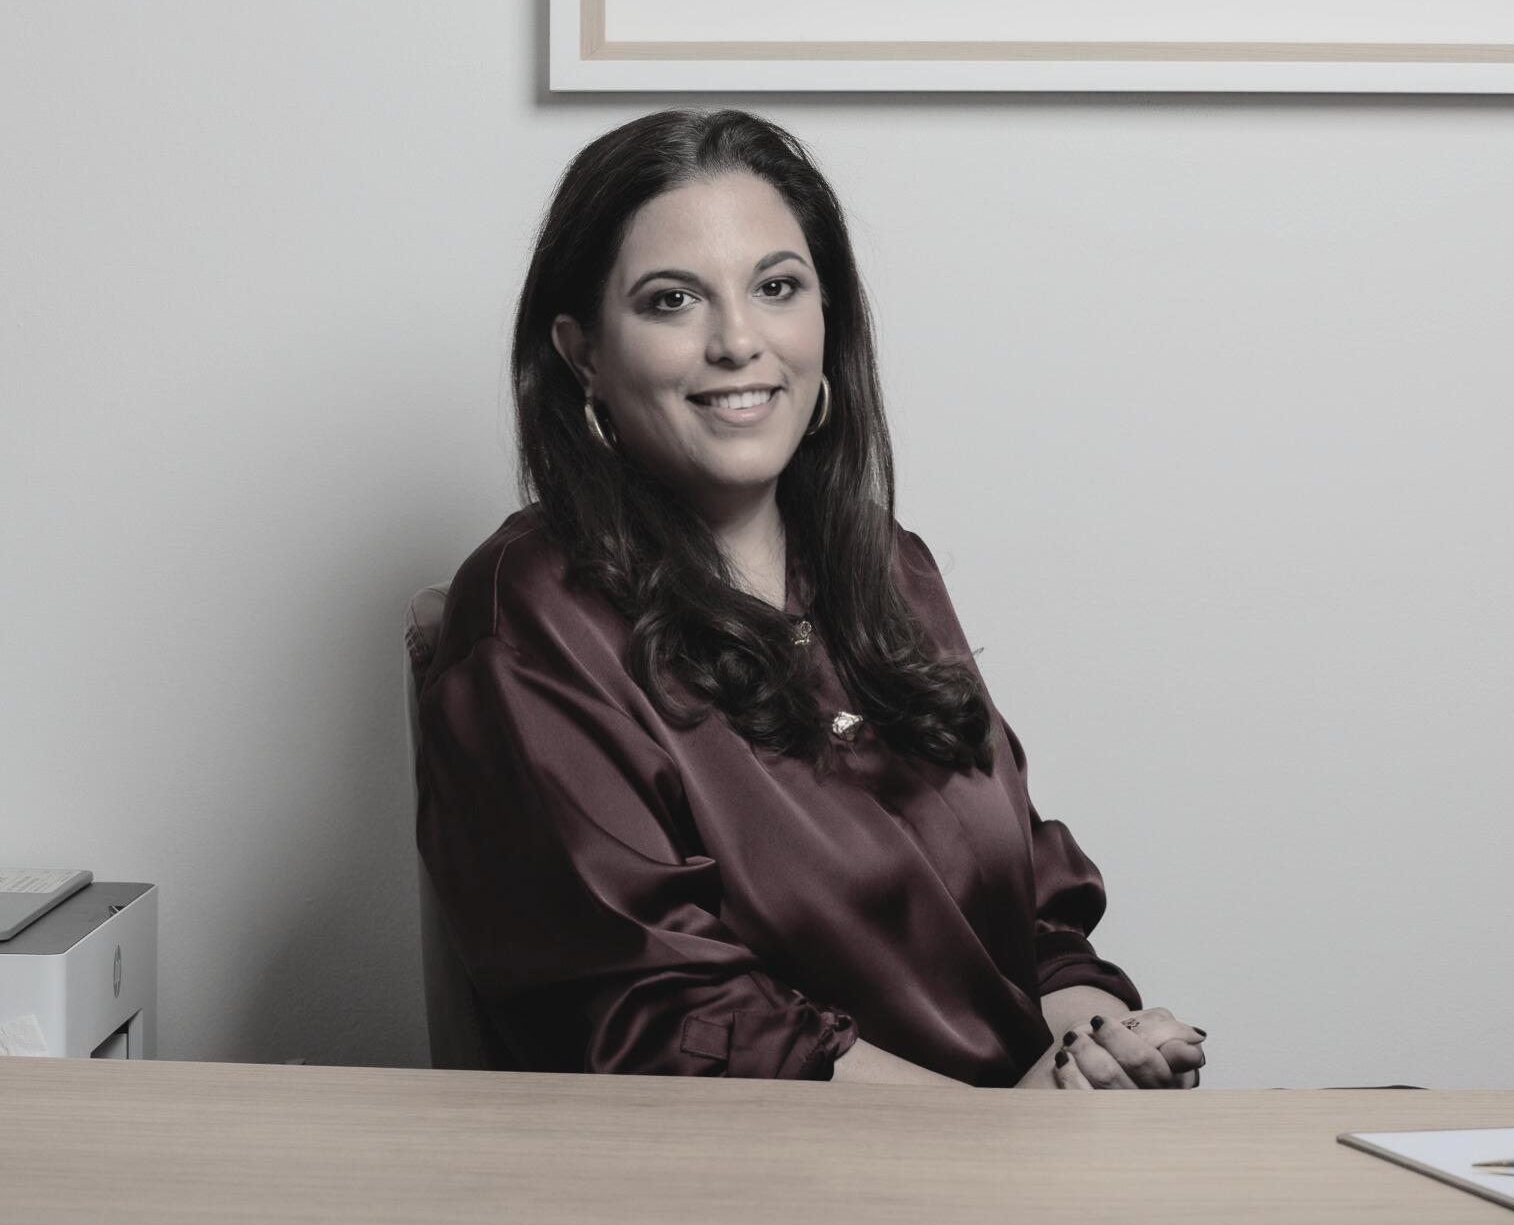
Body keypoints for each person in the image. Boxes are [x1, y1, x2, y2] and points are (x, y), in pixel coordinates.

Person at [416, 109, 1206, 1089]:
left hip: (1015, 1173)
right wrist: (1003, 1138)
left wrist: (1097, 1049)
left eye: (777, 288)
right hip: (767, 1205)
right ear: (582, 354)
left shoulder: (886, 567)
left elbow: (1033, 918)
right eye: (672, 301)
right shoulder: (532, 616)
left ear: (825, 321)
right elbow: (654, 1018)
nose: (738, 341)